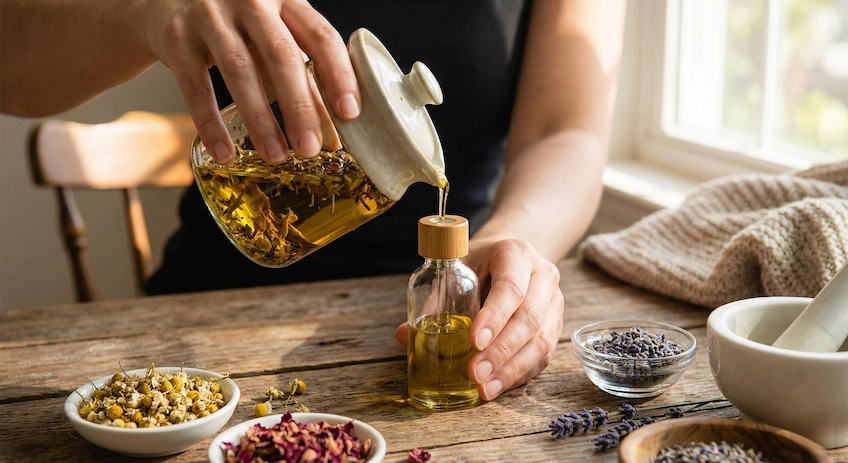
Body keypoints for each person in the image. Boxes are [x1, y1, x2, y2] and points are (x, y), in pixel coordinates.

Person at [1, 0, 626, 402]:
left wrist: (508, 238)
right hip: (209, 318)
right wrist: (141, 15)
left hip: (414, 337)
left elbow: (564, 130)